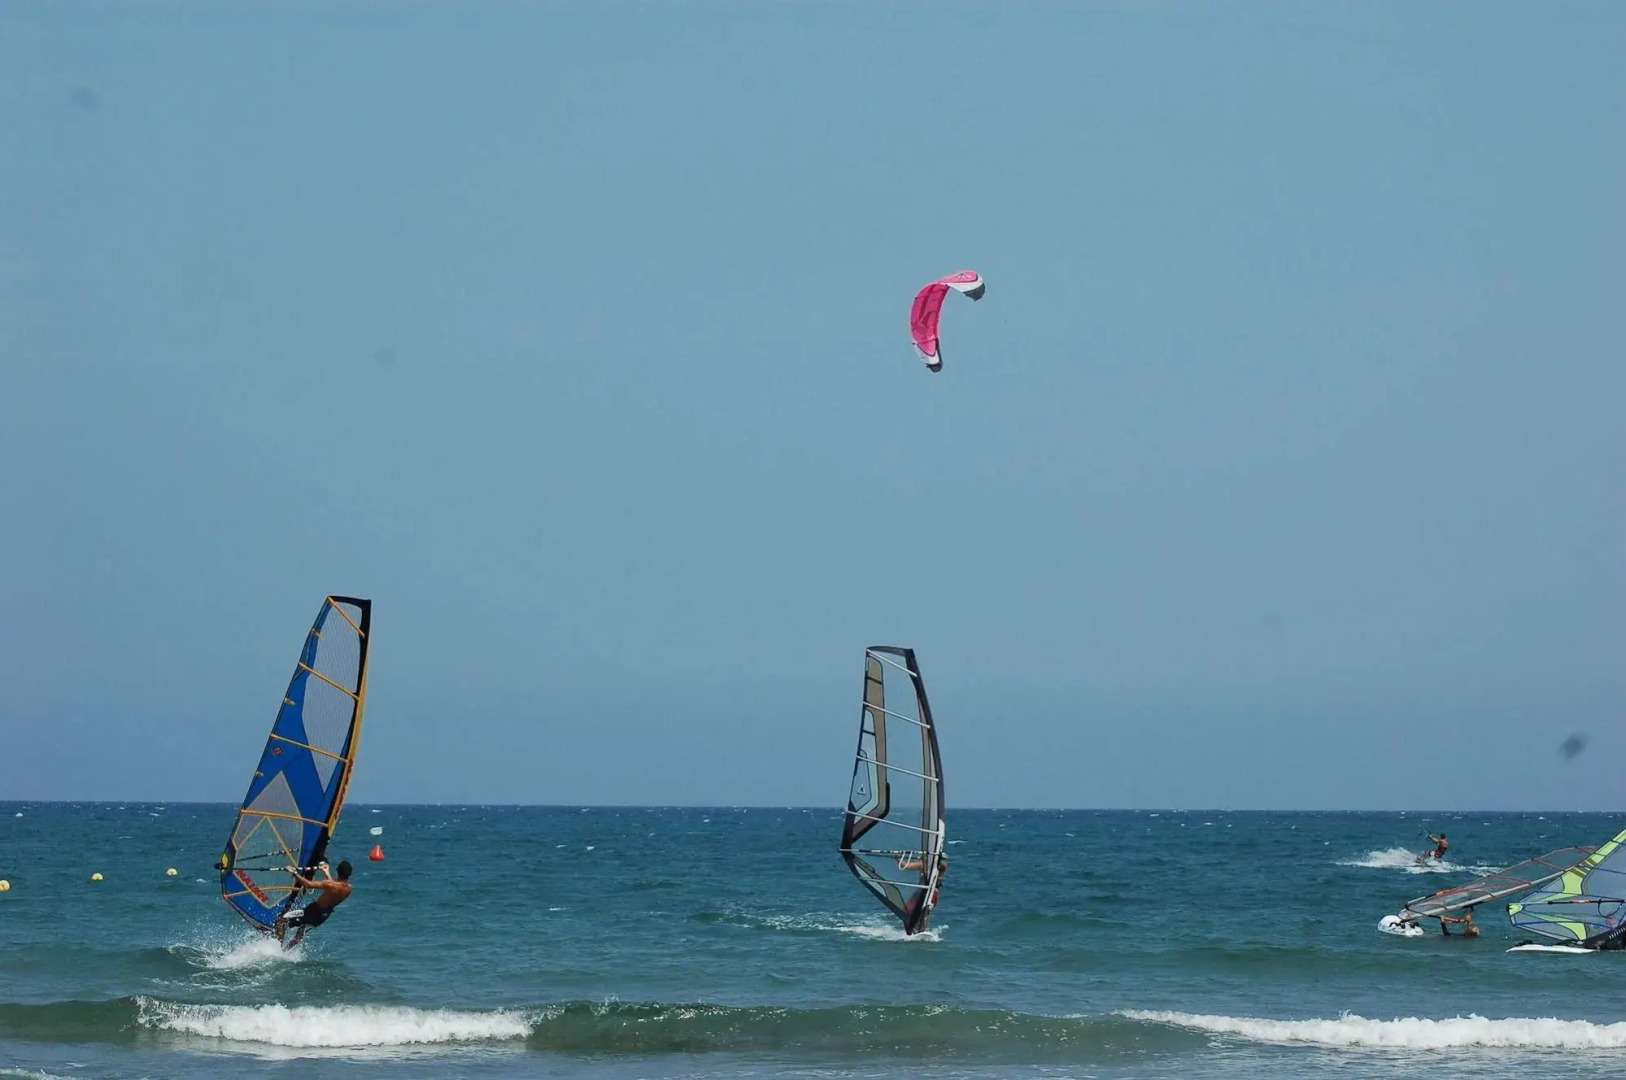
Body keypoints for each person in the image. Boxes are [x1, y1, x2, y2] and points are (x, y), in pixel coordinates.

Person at [274, 860, 354, 949]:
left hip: (312, 911)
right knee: (299, 934)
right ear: (350, 873)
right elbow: (332, 886)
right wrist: (326, 872)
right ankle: (285, 951)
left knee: (281, 920)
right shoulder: (349, 889)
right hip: (323, 916)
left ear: (337, 871)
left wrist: (294, 873)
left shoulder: (331, 885)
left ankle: (277, 948)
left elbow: (308, 884)